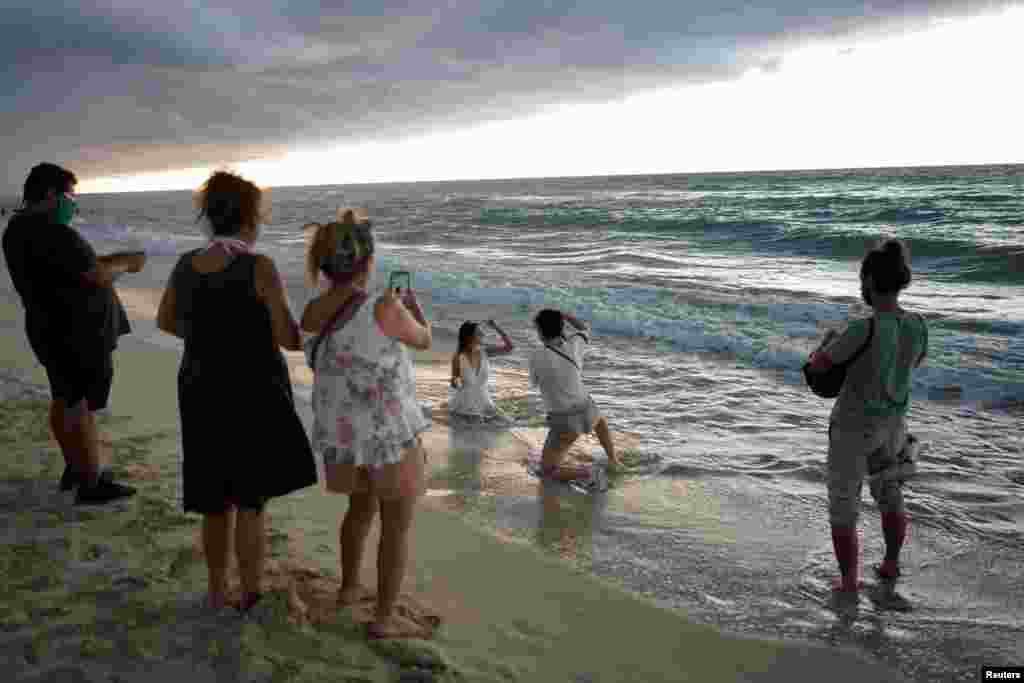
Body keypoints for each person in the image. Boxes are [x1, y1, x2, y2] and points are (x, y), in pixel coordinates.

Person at [155, 170, 317, 612]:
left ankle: (214, 589)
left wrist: (209, 333)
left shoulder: (186, 264)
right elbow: (289, 338)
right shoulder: (258, 266)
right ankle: (248, 590)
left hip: (199, 385)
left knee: (213, 500)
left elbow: (165, 321)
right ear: (249, 218)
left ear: (209, 217)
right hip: (252, 388)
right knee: (250, 500)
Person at [301, 209, 432, 639]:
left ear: (322, 264)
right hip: (390, 435)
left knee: (359, 510)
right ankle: (384, 617)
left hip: (345, 437)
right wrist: (415, 310)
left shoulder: (313, 312)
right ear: (367, 262)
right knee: (396, 525)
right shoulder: (384, 306)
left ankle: (349, 589)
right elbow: (424, 339)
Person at [2, 163, 144, 504]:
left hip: (50, 327)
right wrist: (128, 261)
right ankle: (91, 483)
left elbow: (77, 270)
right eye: (69, 196)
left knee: (64, 397)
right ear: (50, 195)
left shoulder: (18, 228)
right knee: (78, 403)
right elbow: (95, 273)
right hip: (74, 333)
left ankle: (78, 466)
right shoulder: (50, 231)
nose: (73, 204)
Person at [807, 239, 928, 593]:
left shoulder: (864, 328)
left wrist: (825, 343)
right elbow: (910, 364)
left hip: (854, 427)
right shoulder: (918, 325)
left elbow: (820, 366)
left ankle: (848, 583)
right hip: (893, 425)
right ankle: (890, 565)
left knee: (844, 506)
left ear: (871, 282)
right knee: (890, 494)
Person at [528, 309, 622, 484]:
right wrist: (566, 315)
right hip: (587, 410)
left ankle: (588, 473)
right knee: (599, 421)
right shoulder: (575, 344)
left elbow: (534, 382)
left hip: (565, 421)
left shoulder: (536, 356)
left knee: (546, 472)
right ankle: (613, 459)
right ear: (561, 326)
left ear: (540, 332)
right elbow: (584, 328)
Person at [448, 319, 514, 419]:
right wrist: (455, 381)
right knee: (478, 423)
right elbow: (454, 382)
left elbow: (510, 347)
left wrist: (496, 327)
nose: (483, 334)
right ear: (470, 337)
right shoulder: (458, 357)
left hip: (485, 402)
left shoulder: (485, 352)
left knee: (507, 421)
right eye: (479, 332)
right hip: (464, 404)